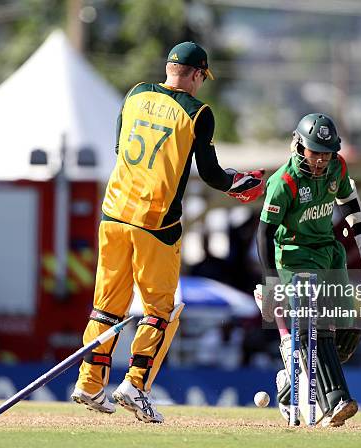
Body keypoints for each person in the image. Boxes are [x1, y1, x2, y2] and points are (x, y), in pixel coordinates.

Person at [71, 41, 265, 423]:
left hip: (113, 214)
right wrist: (240, 184)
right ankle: (136, 385)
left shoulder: (136, 94)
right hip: (155, 223)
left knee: (107, 306)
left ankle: (90, 382)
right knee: (162, 311)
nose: (201, 84)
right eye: (201, 78)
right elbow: (211, 174)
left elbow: (118, 147)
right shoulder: (198, 112)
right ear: (195, 74)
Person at [254, 113, 361, 427]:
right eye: (315, 152)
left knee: (345, 330)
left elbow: (347, 198)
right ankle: (334, 403)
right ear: (298, 146)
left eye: (326, 152)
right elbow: (264, 233)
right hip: (295, 255)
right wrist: (272, 282)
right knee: (316, 324)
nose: (321, 160)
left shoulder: (336, 166)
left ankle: (290, 382)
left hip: (329, 251)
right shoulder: (283, 183)